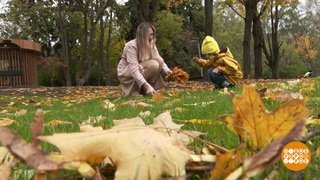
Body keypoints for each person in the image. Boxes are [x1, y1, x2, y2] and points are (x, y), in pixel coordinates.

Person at [117, 22, 172, 96]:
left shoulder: (151, 43)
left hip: (141, 68)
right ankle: (134, 91)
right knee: (154, 65)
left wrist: (166, 70)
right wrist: (147, 85)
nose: (152, 37)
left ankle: (145, 90)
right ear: (143, 35)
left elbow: (157, 57)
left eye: (153, 34)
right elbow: (134, 70)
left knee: (159, 61)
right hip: (127, 71)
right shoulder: (132, 46)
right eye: (150, 35)